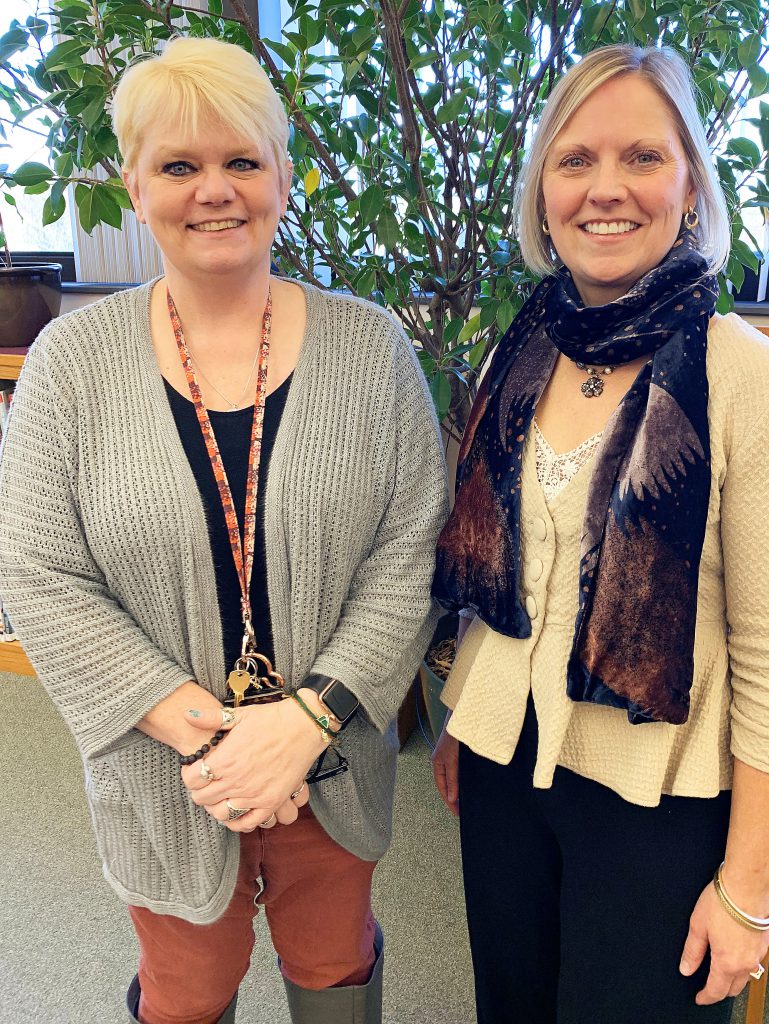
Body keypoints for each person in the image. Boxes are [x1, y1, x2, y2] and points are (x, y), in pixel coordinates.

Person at [0, 36, 448, 1024]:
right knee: (186, 986)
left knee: (334, 967)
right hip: (163, 772)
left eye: (242, 160)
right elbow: (36, 571)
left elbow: (412, 549)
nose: (215, 190)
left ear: (284, 177)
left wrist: (302, 724)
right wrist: (215, 740)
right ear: (134, 181)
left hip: (327, 763)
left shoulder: (371, 347)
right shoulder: (71, 363)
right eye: (179, 165)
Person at [431, 43, 769, 1024]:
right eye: (573, 161)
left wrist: (748, 889)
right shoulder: (521, 349)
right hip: (498, 771)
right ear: (541, 195)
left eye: (641, 158)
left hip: (656, 798)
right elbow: (498, 576)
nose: (603, 189)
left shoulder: (756, 383)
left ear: (688, 184)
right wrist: (461, 716)